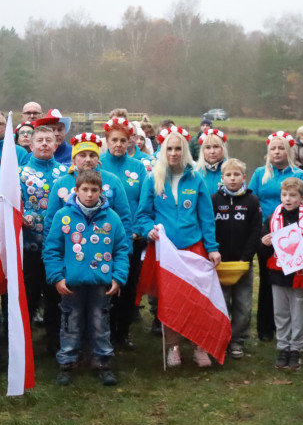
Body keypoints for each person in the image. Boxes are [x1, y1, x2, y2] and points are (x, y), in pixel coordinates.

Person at [135, 125, 221, 367]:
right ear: (163, 150)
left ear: (185, 151)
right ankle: (173, 347)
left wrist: (212, 248)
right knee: (168, 300)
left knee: (196, 299)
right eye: (169, 149)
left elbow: (206, 217)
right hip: (165, 251)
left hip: (193, 247)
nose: (173, 153)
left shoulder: (196, 179)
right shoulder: (153, 178)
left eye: (178, 149)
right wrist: (148, 229)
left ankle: (199, 346)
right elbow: (142, 215)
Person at [43, 169, 131, 386]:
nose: (90, 194)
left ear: (101, 192)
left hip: (101, 284)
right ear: (76, 190)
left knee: (100, 323)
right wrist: (57, 278)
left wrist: (118, 278)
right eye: (85, 190)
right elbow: (51, 250)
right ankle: (68, 362)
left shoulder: (112, 218)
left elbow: (121, 250)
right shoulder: (62, 216)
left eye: (94, 190)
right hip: (70, 285)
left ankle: (102, 362)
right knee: (70, 323)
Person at [261, 176, 303, 371]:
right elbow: (264, 250)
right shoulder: (271, 220)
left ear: (302, 197)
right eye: (284, 194)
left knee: (298, 313)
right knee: (280, 312)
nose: (287, 199)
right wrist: (263, 243)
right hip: (278, 274)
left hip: (301, 274)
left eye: (292, 195)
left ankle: (295, 348)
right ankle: (283, 347)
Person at [249, 131, 303, 342]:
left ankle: (291, 327)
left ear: (288, 150)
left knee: (288, 280)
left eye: (280, 148)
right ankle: (265, 328)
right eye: (273, 148)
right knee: (266, 280)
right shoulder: (259, 173)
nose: (276, 152)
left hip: (290, 231)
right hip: (266, 231)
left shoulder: (298, 174)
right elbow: (251, 199)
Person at [99, 118, 148, 349]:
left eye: (123, 140)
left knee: (128, 286)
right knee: (105, 286)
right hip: (103, 238)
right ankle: (104, 332)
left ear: (130, 142)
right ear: (106, 141)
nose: (118, 144)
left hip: (131, 237)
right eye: (114, 140)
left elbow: (143, 202)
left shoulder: (138, 168)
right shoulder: (98, 165)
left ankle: (123, 333)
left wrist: (138, 230)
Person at [211, 158, 261, 359]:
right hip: (219, 264)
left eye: (236, 175)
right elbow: (209, 229)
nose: (232, 179)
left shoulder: (252, 201)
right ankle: (220, 339)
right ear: (222, 178)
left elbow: (256, 231)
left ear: (244, 177)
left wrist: (246, 258)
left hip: (242, 264)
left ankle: (237, 341)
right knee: (221, 304)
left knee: (243, 305)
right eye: (228, 175)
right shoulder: (214, 200)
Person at [18, 125, 64, 337]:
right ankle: (24, 342)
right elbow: (10, 205)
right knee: (28, 296)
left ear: (56, 145)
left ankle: (55, 341)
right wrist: (21, 216)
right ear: (31, 144)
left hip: (59, 249)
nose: (44, 143)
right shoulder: (20, 174)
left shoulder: (66, 174)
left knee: (56, 298)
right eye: (40, 140)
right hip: (30, 247)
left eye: (49, 140)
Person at [194, 128, 228, 196]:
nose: (212, 151)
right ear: (202, 150)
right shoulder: (194, 172)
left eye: (216, 147)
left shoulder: (233, 171)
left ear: (223, 149)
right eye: (208, 147)